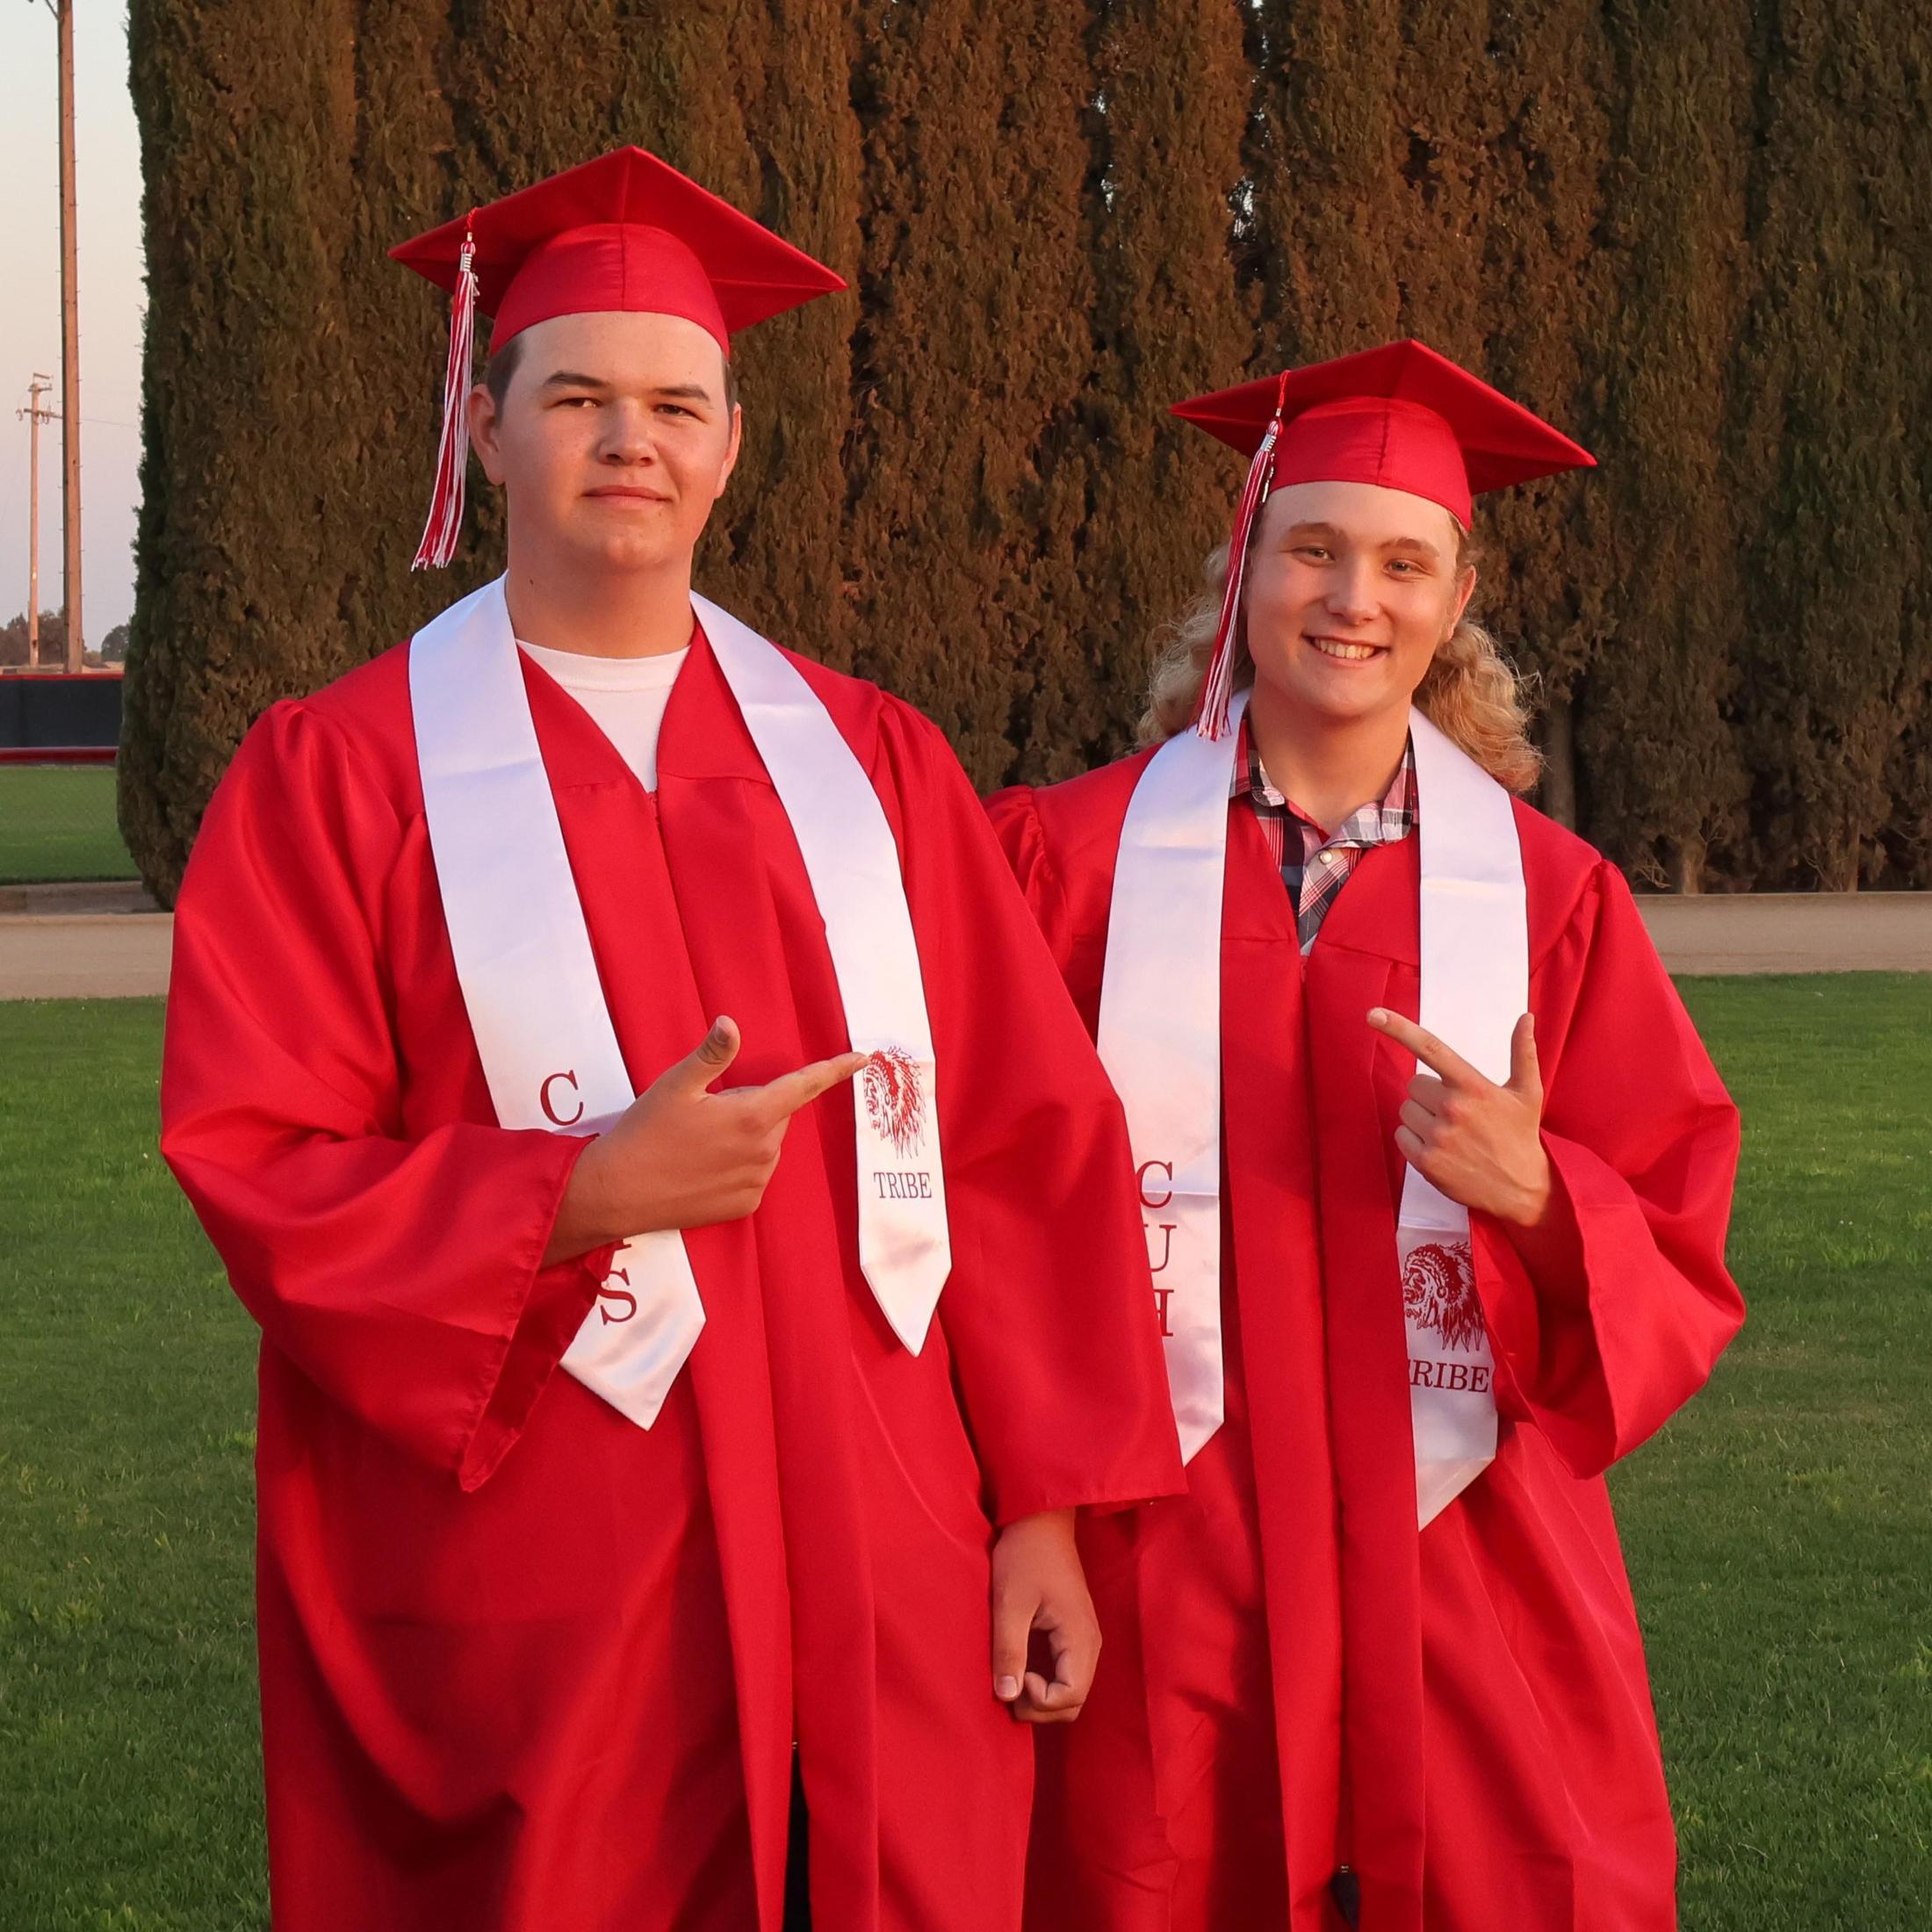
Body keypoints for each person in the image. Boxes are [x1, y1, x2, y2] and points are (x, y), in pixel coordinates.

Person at [161, 146, 1181, 1932]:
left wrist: (1044, 1512)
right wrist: (573, 1193)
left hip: (883, 1537)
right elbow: (259, 1154)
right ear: (484, 429)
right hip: (547, 1567)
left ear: (728, 443)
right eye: (575, 397)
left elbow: (1023, 1146)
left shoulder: (873, 766)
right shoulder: (341, 774)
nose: (628, 439)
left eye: (673, 404)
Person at [988, 340, 1745, 1932]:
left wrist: (1542, 1198)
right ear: (1244, 569)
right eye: (1314, 550)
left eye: (1404, 563)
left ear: (1458, 596)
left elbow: (1676, 1243)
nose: (1354, 598)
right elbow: (982, 1216)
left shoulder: (1550, 900)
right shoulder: (1066, 865)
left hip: (1464, 1548)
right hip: (1162, 1544)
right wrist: (1034, 1512)